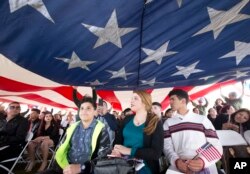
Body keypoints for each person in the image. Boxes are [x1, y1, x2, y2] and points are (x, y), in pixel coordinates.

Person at [39, 96, 110, 174]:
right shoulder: (72, 128)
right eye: (82, 108)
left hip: (87, 170)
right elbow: (61, 148)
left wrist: (82, 167)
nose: (84, 111)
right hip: (65, 167)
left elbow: (103, 157)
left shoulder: (101, 129)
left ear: (94, 111)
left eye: (88, 108)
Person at [163, 89, 222, 173]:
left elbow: (215, 144)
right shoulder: (168, 123)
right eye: (170, 100)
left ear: (183, 101)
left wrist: (203, 161)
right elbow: (167, 146)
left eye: (173, 99)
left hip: (205, 164)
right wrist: (176, 161)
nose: (170, 102)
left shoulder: (202, 120)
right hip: (179, 165)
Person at [112, 90, 164, 174]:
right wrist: (116, 151)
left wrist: (130, 151)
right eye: (131, 98)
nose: (131, 101)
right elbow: (117, 142)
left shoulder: (155, 122)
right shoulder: (127, 119)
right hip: (123, 166)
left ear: (145, 102)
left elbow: (156, 153)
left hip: (146, 168)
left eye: (135, 98)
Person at [0, 102, 29, 173]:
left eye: (17, 107)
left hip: (13, 147)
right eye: (12, 107)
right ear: (7, 109)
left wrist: (2, 139)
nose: (15, 109)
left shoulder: (23, 121)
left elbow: (19, 138)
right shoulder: (2, 119)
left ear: (20, 110)